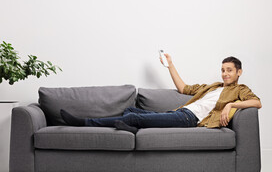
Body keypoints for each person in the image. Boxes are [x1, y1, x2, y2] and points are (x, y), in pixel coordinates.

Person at [60, 55, 261, 134]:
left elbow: (257, 103)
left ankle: (83, 122)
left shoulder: (240, 91)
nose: (225, 73)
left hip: (190, 119)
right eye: (223, 69)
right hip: (181, 112)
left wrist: (231, 105)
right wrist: (170, 65)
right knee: (131, 109)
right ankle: (129, 127)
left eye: (229, 70)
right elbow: (183, 88)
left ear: (238, 72)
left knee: (132, 116)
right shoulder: (212, 87)